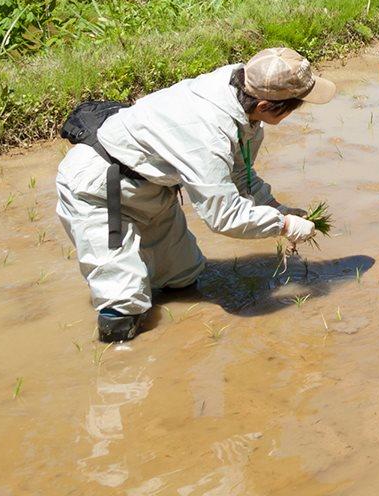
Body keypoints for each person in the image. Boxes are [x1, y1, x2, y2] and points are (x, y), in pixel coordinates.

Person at [54, 46, 336, 343]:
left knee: (183, 278)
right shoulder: (207, 134)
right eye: (295, 106)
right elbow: (224, 216)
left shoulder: (243, 89)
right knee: (124, 300)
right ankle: (118, 369)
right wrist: (284, 226)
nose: (296, 111)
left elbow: (241, 175)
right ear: (266, 106)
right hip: (101, 190)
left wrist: (278, 208)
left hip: (152, 187)